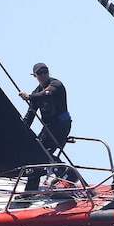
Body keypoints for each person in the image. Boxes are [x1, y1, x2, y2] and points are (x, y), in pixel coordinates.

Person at [18, 63, 77, 192]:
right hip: (49, 128)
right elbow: (30, 116)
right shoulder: (36, 93)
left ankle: (67, 175)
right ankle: (30, 190)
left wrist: (29, 97)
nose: (43, 75)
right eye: (40, 73)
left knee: (44, 152)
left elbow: (48, 93)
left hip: (61, 125)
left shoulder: (56, 85)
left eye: (45, 72)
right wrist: (18, 131)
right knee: (35, 153)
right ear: (35, 76)